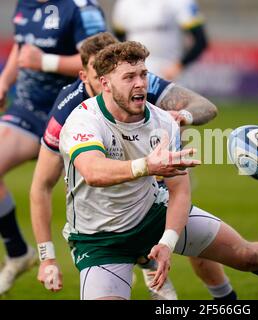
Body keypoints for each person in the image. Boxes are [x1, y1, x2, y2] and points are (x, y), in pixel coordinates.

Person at [55, 40, 258, 300]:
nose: (140, 84)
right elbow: (93, 171)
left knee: (247, 255)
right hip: (100, 238)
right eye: (129, 77)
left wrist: (167, 241)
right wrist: (147, 166)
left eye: (143, 75)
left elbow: (179, 192)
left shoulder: (163, 121)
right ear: (105, 84)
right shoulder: (83, 121)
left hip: (152, 213)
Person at [30, 32, 236, 300]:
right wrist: (47, 257)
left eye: (134, 75)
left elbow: (205, 107)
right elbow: (42, 185)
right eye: (99, 75)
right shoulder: (68, 111)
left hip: (157, 178)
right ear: (88, 77)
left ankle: (225, 299)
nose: (135, 82)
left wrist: (181, 116)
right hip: (107, 205)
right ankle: (146, 262)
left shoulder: (140, 82)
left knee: (201, 248)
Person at [0, 0, 106, 295]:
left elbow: (102, 61)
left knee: (109, 190)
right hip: (28, 111)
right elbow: (22, 51)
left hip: (74, 110)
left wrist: (45, 62)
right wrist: (4, 82)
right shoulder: (25, 4)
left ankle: (144, 263)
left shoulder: (81, 8)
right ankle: (19, 253)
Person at [112, 0, 208, 80]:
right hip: (135, 73)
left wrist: (180, 65)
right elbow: (118, 40)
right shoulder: (124, 3)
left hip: (168, 73)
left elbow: (200, 40)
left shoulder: (181, 2)